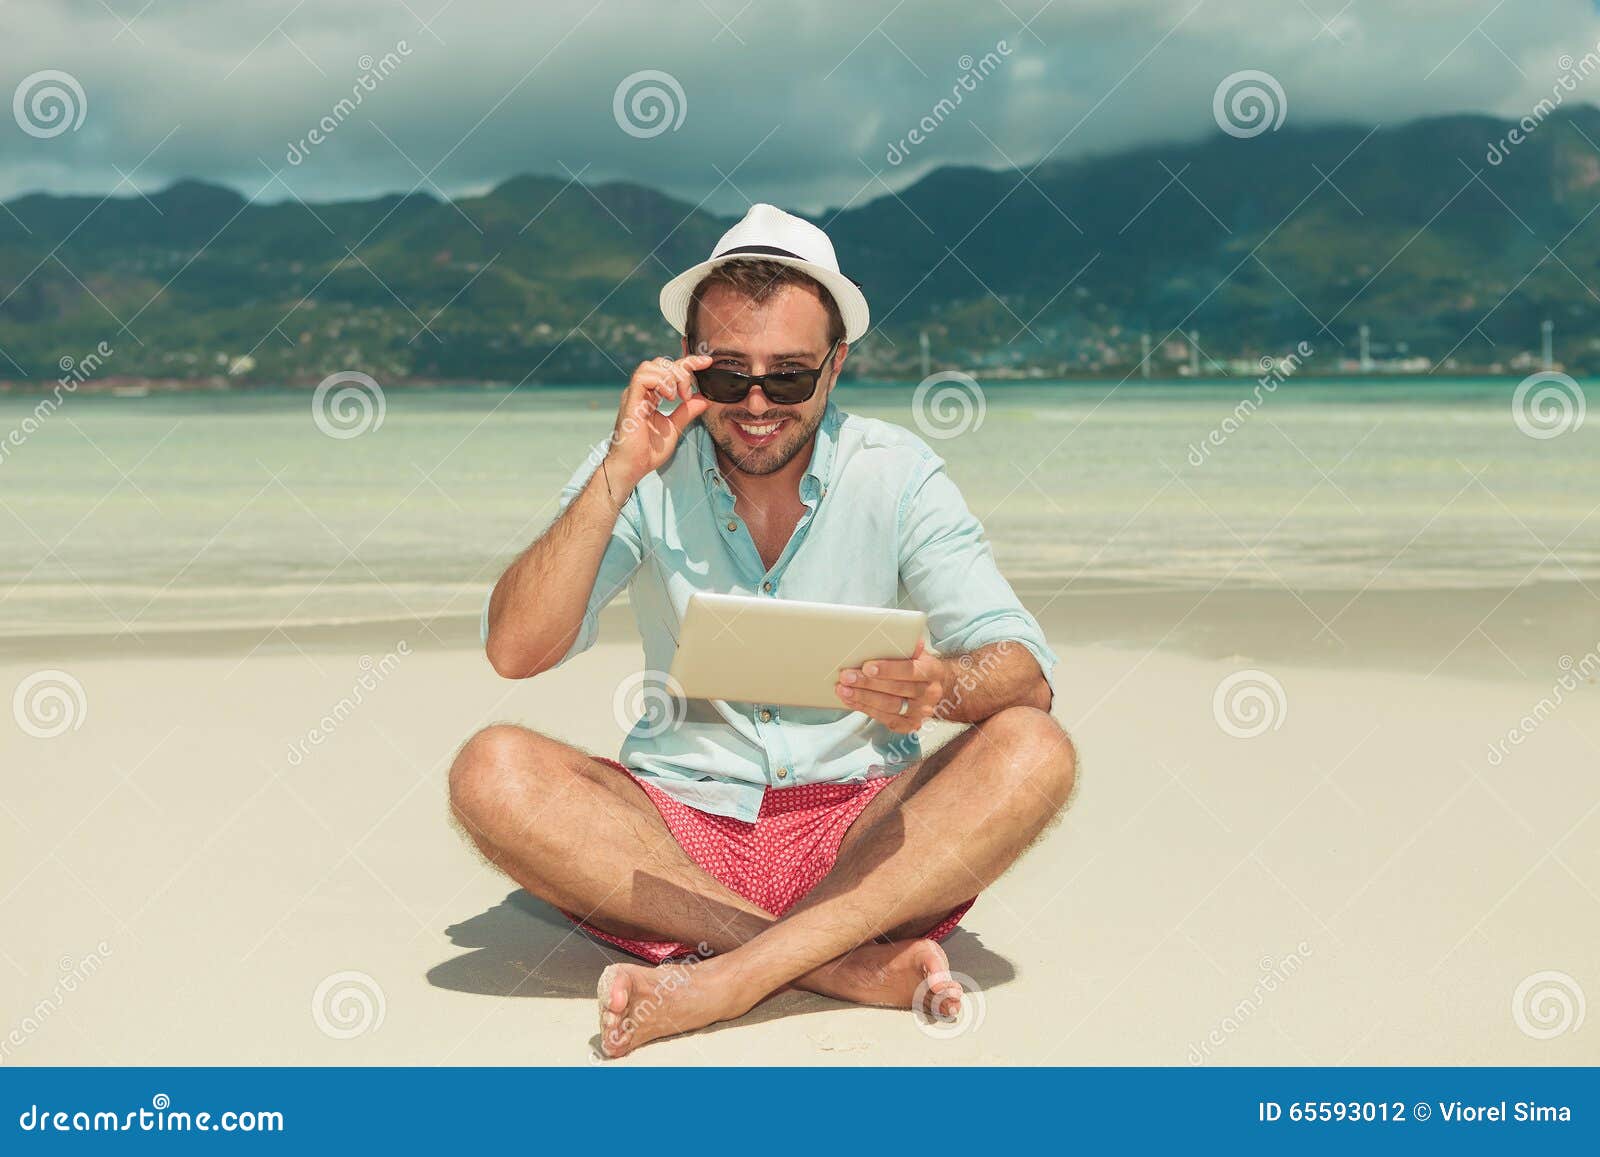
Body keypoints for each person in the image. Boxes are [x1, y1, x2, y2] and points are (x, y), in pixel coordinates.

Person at [450, 203, 1076, 1057]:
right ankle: (836, 965)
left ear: (836, 364)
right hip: (678, 832)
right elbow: (514, 649)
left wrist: (944, 686)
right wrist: (621, 466)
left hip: (864, 827)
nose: (753, 404)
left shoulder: (897, 473)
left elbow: (1025, 672)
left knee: (1034, 747)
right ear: (685, 363)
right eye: (725, 374)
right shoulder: (642, 466)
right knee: (490, 769)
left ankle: (733, 973)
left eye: (787, 377)